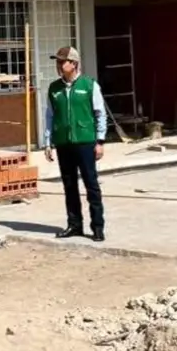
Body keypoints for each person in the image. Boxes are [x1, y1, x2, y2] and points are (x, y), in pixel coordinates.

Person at [43, 46, 108, 242]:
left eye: (62, 61)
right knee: (69, 185)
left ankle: (97, 227)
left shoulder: (89, 85)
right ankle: (74, 224)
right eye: (57, 61)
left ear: (74, 63)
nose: (58, 65)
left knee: (91, 185)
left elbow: (100, 113)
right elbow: (50, 115)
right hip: (64, 143)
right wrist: (48, 142)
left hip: (85, 142)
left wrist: (100, 140)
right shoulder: (54, 88)